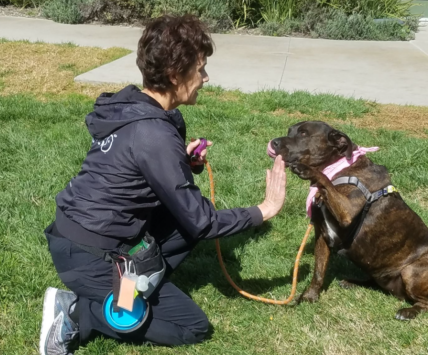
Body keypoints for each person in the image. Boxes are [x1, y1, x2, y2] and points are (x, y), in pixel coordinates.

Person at [39, 14, 286, 355]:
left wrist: (181, 163)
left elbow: (138, 168)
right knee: (192, 326)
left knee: (182, 225)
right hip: (87, 253)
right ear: (174, 75)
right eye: (200, 69)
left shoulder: (137, 108)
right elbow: (204, 222)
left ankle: (134, 281)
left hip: (84, 232)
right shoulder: (153, 134)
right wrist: (264, 210)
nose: (206, 77)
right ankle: (78, 313)